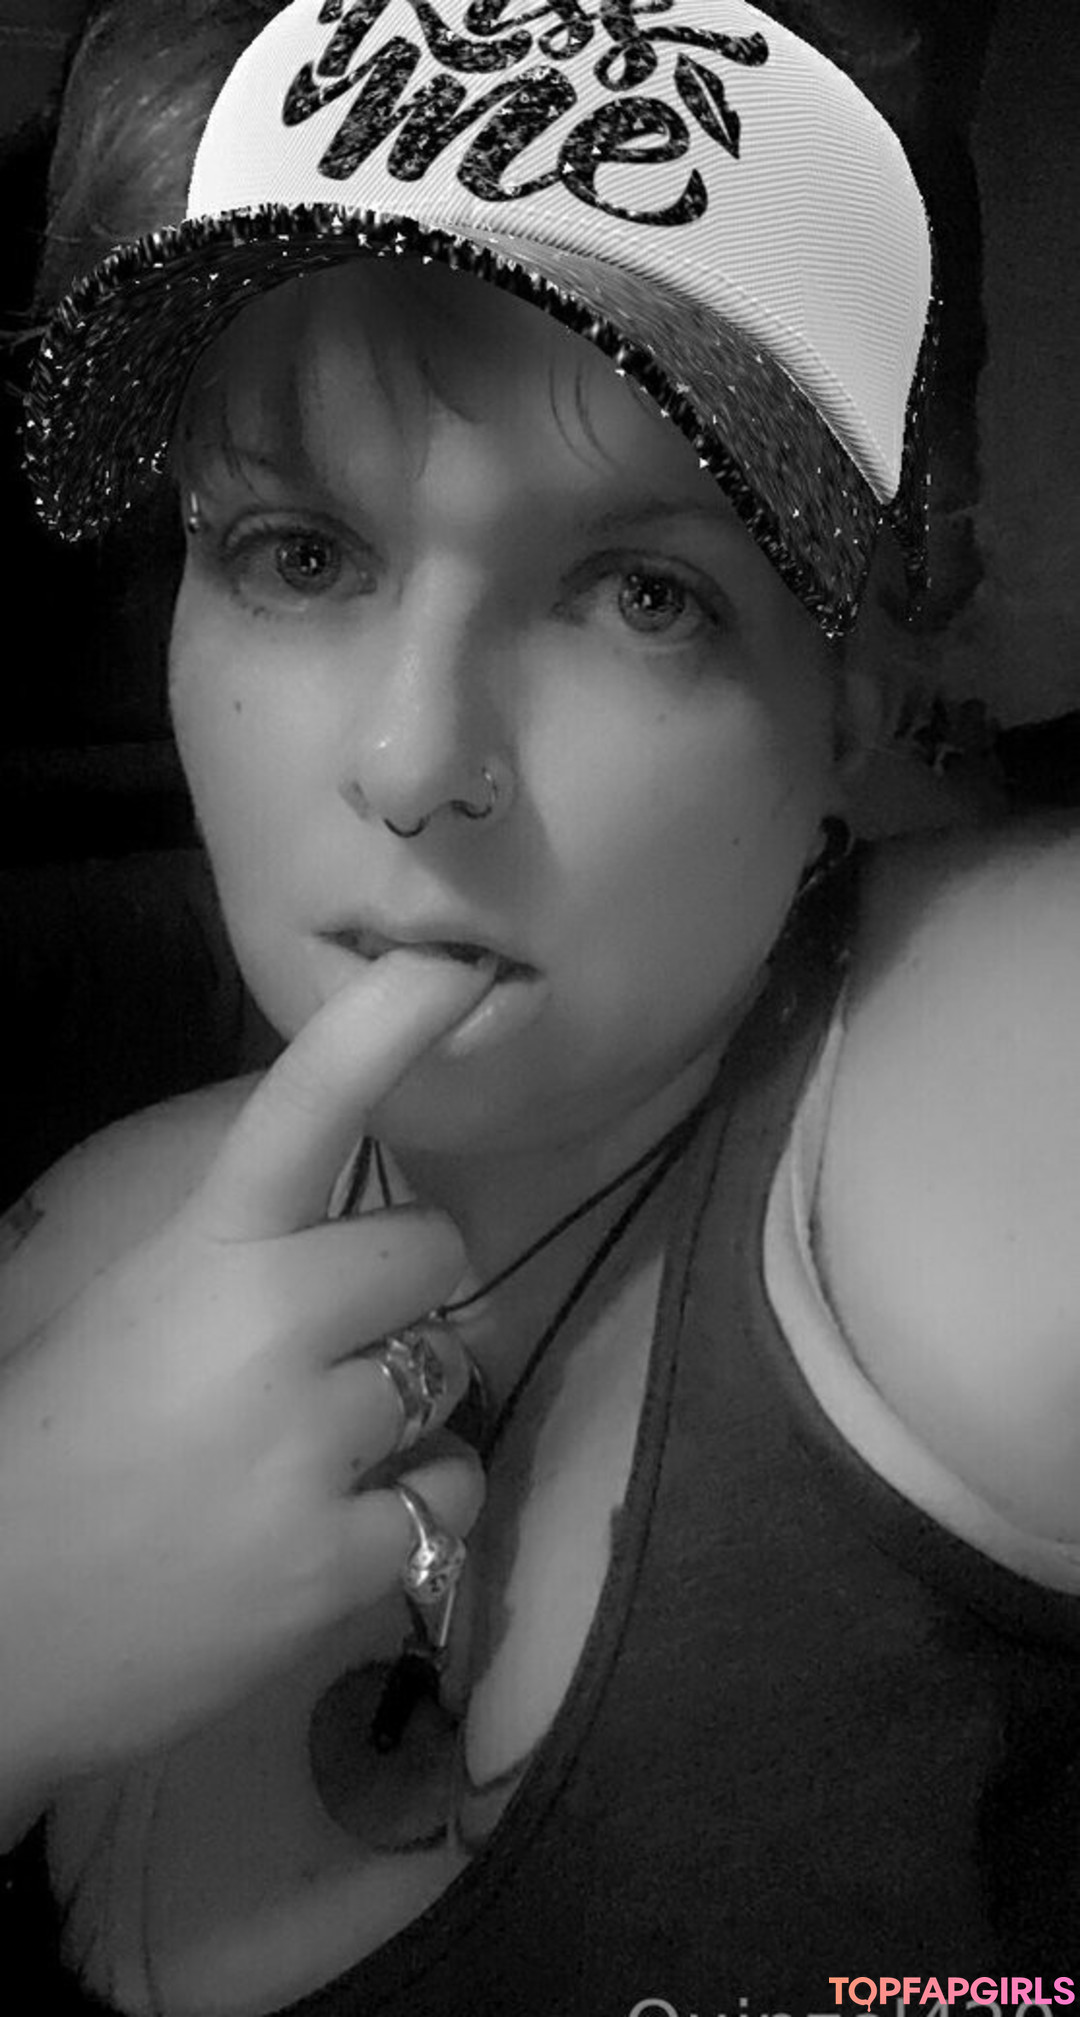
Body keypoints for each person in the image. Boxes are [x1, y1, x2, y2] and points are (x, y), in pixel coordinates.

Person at [4, 2, 1080, 2012]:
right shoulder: (57, 1263)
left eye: (642, 592)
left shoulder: (991, 1109)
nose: (413, 762)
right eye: (298, 552)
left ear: (849, 703)